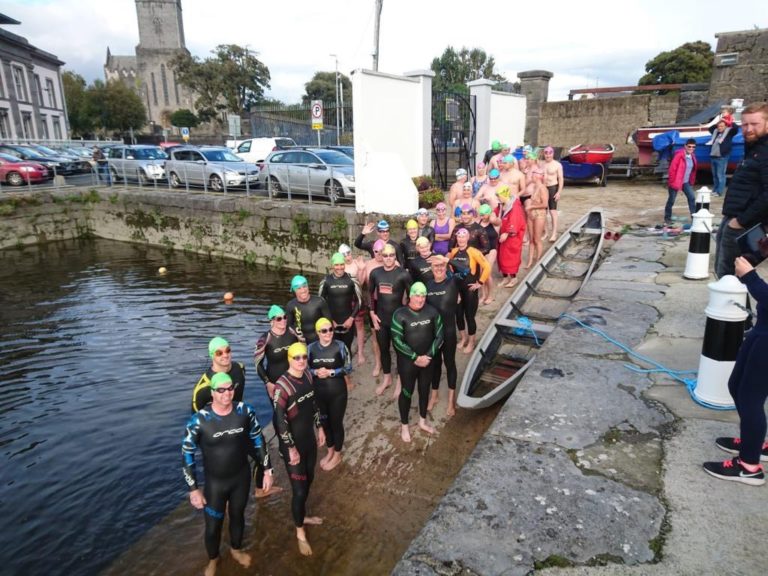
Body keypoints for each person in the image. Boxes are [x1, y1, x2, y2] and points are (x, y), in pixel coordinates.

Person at [182, 372, 274, 576]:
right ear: (212, 393)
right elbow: (187, 454)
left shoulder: (245, 411)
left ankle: (235, 549)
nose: (227, 393)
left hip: (240, 479)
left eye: (230, 388)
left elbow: (259, 442)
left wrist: (267, 470)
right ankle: (213, 560)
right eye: (221, 389)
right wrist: (193, 489)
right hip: (215, 484)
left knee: (238, 516)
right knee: (213, 526)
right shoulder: (199, 421)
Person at [702, 256, 767, 486]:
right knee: (736, 386)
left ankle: (749, 466)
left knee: (751, 399)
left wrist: (750, 277)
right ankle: (755, 441)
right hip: (761, 331)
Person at [273, 342, 326, 556]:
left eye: (304, 357)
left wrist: (320, 427)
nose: (301, 361)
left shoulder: (308, 377)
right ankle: (299, 532)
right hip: (292, 446)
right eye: (297, 357)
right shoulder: (282, 386)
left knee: (309, 479)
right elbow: (279, 421)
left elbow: (313, 405)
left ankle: (302, 515)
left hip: (309, 441)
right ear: (289, 359)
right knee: (299, 490)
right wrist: (290, 448)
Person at [715, 102, 768, 278]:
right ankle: (726, 305)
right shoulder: (753, 148)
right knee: (726, 272)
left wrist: (741, 221)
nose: (748, 129)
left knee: (731, 275)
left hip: (746, 222)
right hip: (734, 217)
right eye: (745, 124)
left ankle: (731, 306)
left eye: (754, 124)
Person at [392, 282, 444, 442]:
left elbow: (440, 336)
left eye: (423, 295)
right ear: (410, 296)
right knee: (406, 393)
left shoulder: (432, 312)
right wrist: (415, 357)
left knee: (424, 390)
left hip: (427, 362)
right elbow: (397, 340)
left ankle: (422, 421)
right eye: (417, 295)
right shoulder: (400, 314)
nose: (420, 299)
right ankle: (404, 425)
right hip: (408, 363)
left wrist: (428, 356)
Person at [308, 318, 353, 471]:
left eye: (330, 330)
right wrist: (315, 372)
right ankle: (331, 451)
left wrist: (331, 372)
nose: (328, 333)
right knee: (325, 423)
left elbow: (348, 367)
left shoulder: (340, 346)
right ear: (317, 332)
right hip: (319, 394)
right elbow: (304, 369)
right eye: (324, 331)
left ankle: (338, 455)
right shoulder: (310, 348)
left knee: (336, 423)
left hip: (337, 393)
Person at [368, 243, 412, 396]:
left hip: (397, 320)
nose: (388, 258)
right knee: (383, 349)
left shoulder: (403, 274)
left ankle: (400, 380)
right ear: (380, 255)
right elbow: (370, 294)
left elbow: (411, 296)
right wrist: (372, 314)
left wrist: (406, 317)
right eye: (385, 255)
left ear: (395, 256)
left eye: (391, 255)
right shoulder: (375, 273)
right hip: (381, 319)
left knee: (400, 351)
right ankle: (387, 378)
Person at [426, 256, 460, 415]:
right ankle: (434, 395)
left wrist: (446, 260)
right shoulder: (428, 284)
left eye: (441, 266)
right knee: (434, 365)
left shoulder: (452, 282)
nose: (438, 269)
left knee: (450, 364)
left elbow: (466, 270)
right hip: (434, 333)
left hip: (448, 332)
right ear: (431, 269)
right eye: (435, 266)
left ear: (445, 267)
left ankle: (451, 400)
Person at [448, 228, 490, 353]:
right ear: (456, 238)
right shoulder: (454, 251)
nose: (460, 239)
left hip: (470, 289)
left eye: (463, 237)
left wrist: (480, 283)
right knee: (458, 315)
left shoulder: (474, 252)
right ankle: (463, 338)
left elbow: (486, 267)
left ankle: (471, 343)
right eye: (458, 237)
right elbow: (450, 268)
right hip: (457, 289)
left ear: (467, 238)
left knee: (469, 316)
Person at [254, 306, 300, 401]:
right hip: (275, 382)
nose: (283, 320)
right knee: (279, 413)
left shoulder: (294, 331)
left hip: (295, 378)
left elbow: (305, 350)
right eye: (279, 319)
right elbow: (258, 364)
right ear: (272, 321)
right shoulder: (264, 339)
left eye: (285, 317)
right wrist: (268, 383)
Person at [319, 253, 361, 353]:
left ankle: (348, 368)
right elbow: (320, 303)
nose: (339, 267)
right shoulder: (325, 281)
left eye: (342, 264)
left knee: (347, 349)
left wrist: (351, 318)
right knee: (333, 351)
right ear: (332, 265)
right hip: (331, 323)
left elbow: (359, 301)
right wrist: (329, 320)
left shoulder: (352, 280)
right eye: (337, 265)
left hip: (348, 323)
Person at [192, 337, 245, 414]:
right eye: (219, 353)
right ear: (212, 355)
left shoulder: (240, 368)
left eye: (228, 351)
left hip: (238, 417)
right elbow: (195, 417)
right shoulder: (204, 387)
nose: (225, 355)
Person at [359, 239, 387, 376]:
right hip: (374, 303)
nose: (379, 254)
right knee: (375, 336)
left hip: (389, 304)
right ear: (373, 252)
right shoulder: (368, 265)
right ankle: (378, 362)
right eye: (376, 251)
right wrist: (359, 269)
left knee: (392, 335)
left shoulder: (393, 263)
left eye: (382, 251)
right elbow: (360, 283)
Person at [339, 243, 368, 365]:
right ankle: (346, 350)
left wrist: (361, 269)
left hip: (357, 299)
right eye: (344, 255)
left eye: (349, 253)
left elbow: (361, 283)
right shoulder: (340, 267)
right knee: (345, 326)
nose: (347, 256)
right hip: (344, 300)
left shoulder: (358, 264)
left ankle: (360, 352)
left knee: (359, 325)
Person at [285, 275, 332, 344]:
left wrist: (327, 338)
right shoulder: (291, 305)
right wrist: (296, 334)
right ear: (294, 291)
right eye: (299, 288)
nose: (303, 290)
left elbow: (329, 322)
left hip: (319, 340)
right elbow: (289, 325)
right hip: (301, 340)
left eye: (304, 286)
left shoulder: (319, 302)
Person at [497, 185, 528, 287]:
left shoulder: (514, 206)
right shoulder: (502, 204)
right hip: (502, 234)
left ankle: (514, 278)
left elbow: (515, 221)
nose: (498, 198)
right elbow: (496, 212)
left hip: (512, 237)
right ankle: (505, 277)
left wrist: (507, 233)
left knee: (510, 257)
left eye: (499, 196)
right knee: (502, 257)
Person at [664, 138, 698, 225]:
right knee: (671, 200)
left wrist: (691, 181)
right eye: (689, 146)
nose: (691, 148)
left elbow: (693, 171)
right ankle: (667, 218)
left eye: (693, 147)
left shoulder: (693, 156)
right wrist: (672, 182)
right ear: (685, 146)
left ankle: (694, 217)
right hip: (676, 181)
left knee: (692, 197)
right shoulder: (679, 155)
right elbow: (672, 169)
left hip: (685, 182)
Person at [524, 168, 549, 269]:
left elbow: (545, 204)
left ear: (539, 176)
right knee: (531, 239)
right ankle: (530, 261)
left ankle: (538, 261)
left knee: (537, 239)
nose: (532, 176)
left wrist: (531, 206)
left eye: (533, 174)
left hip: (539, 214)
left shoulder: (543, 188)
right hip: (532, 214)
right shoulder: (535, 187)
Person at [708, 120, 739, 197]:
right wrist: (718, 123)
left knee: (720, 175)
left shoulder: (729, 133)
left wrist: (729, 121)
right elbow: (710, 128)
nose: (719, 128)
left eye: (722, 126)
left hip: (722, 157)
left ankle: (719, 192)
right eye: (719, 126)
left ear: (726, 127)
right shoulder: (715, 132)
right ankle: (715, 190)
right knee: (715, 175)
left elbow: (735, 128)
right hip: (713, 156)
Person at [477, 204, 498, 305]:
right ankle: (483, 294)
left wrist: (492, 214)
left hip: (492, 250)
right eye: (480, 214)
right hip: (481, 250)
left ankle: (491, 295)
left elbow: (496, 221)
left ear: (488, 214)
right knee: (481, 274)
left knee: (487, 273)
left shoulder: (493, 221)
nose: (482, 217)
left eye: (484, 215)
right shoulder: (479, 221)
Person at [542, 146, 564, 242]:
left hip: (552, 188)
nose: (548, 155)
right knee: (543, 212)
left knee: (552, 211)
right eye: (546, 153)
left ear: (553, 153)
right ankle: (546, 232)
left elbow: (561, 179)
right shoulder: (541, 164)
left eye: (550, 153)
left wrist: (559, 192)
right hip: (543, 188)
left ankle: (554, 233)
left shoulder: (557, 165)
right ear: (544, 154)